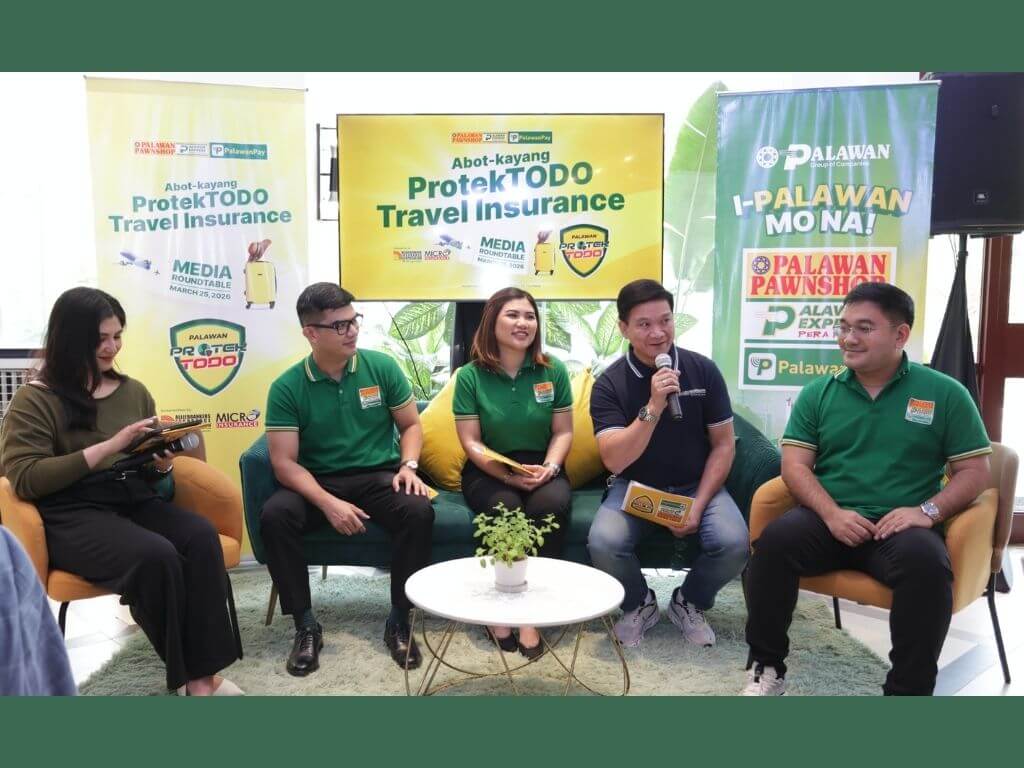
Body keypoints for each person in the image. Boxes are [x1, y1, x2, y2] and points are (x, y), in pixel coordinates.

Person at [743, 282, 992, 696]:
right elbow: (794, 466)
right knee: (772, 547)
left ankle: (907, 693)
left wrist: (926, 512)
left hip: (901, 527)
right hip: (829, 519)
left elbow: (976, 472)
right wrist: (831, 514)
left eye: (864, 328)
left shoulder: (945, 393)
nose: (848, 338)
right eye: (843, 327)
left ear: (900, 334)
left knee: (928, 568)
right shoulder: (818, 393)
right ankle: (766, 668)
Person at [0, 287, 241, 695]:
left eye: (117, 336)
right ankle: (194, 679)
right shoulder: (35, 399)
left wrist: (161, 463)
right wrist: (109, 446)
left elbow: (156, 480)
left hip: (133, 497)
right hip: (70, 512)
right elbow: (24, 477)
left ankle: (201, 679)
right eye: (101, 339)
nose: (112, 347)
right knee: (156, 556)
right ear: (71, 339)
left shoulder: (134, 392)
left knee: (201, 536)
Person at [261, 283, 434, 676]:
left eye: (354, 320)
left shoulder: (381, 367)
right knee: (275, 515)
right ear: (311, 333)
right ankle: (306, 626)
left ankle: (399, 619)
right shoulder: (287, 387)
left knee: (418, 511)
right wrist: (327, 503)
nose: (352, 330)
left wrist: (408, 466)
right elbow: (284, 463)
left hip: (378, 474)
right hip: (317, 480)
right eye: (339, 325)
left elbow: (410, 425)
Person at [587, 279, 748, 648]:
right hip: (636, 487)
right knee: (604, 541)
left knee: (735, 544)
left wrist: (698, 504)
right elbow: (614, 459)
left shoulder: (703, 370)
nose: (658, 333)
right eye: (644, 324)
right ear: (623, 328)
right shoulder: (609, 384)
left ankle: (688, 601)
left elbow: (724, 445)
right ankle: (638, 603)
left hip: (696, 483)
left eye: (665, 321)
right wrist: (654, 406)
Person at [453, 287, 573, 658]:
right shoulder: (470, 376)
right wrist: (507, 476)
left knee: (550, 507)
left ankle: (532, 613)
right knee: (504, 509)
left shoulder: (552, 370)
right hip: (489, 467)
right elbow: (471, 442)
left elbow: (563, 432)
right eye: (513, 315)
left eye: (530, 316)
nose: (524, 323)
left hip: (542, 464)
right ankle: (498, 608)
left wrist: (550, 467)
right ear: (492, 321)